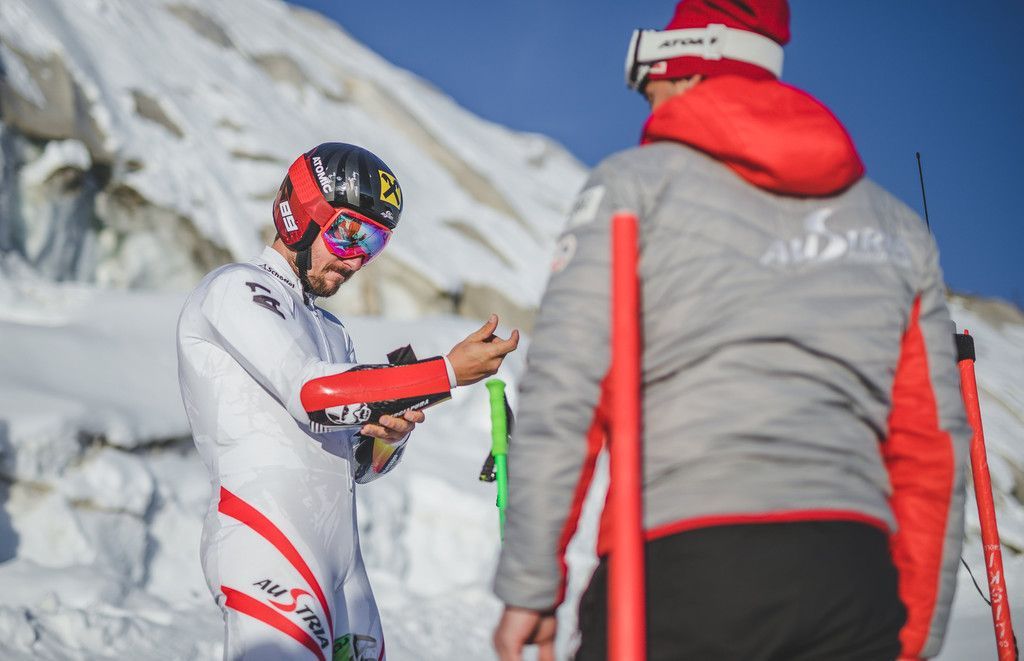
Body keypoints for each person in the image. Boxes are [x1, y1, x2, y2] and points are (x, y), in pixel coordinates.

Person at [492, 1, 970, 659]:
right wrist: (909, 634)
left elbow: (565, 391)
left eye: (652, 86)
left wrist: (531, 585)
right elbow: (931, 443)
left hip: (677, 568)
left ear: (688, 68)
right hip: (852, 582)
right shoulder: (898, 229)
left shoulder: (634, 188)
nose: (649, 106)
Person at [177, 142, 518, 660]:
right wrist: (446, 372)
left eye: (374, 243)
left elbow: (357, 465)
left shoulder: (332, 330)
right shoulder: (236, 287)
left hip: (344, 570)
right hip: (266, 540)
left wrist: (386, 438)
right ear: (302, 215)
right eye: (350, 233)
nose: (357, 258)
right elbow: (311, 394)